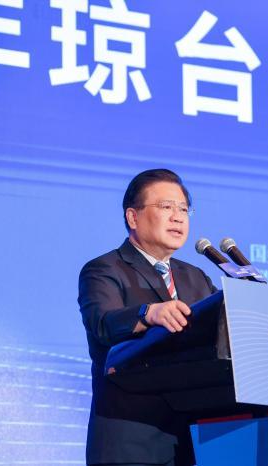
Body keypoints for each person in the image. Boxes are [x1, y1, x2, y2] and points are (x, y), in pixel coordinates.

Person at [78, 168, 215, 466]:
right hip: (129, 442)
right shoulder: (104, 269)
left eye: (183, 209)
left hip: (192, 444)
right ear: (133, 217)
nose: (178, 217)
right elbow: (103, 324)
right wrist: (149, 313)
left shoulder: (196, 277)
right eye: (166, 207)